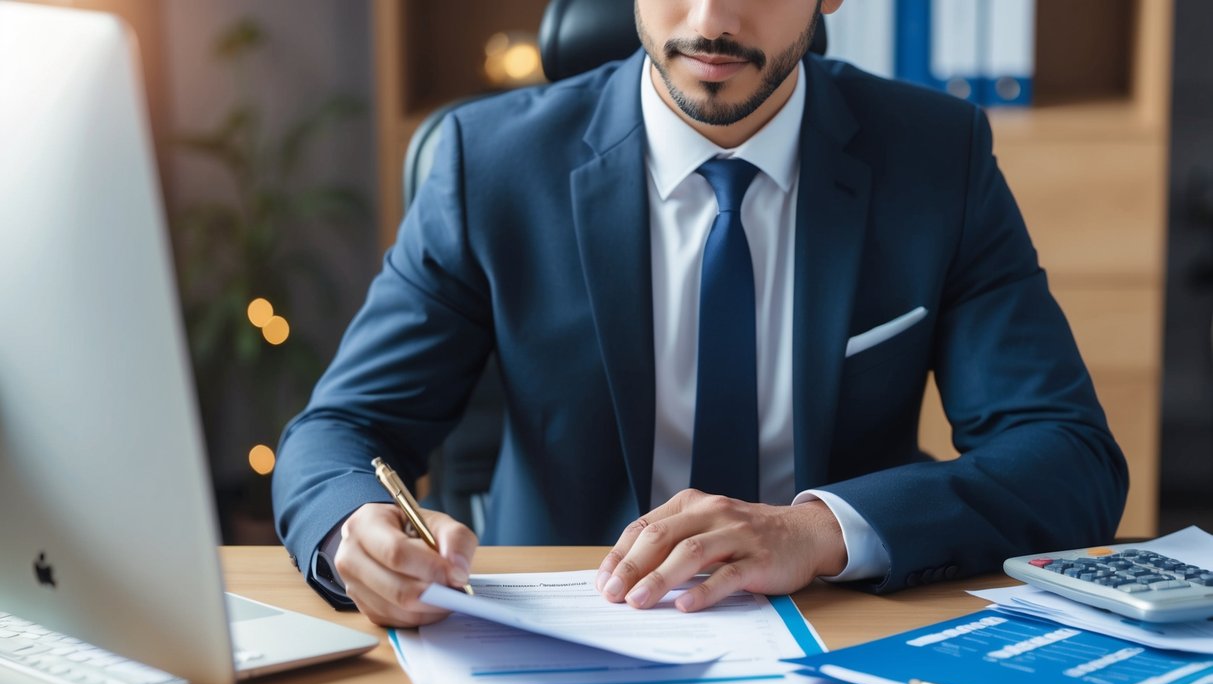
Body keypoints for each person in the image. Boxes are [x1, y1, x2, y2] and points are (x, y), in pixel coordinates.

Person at [272, 0, 1128, 627]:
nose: (711, 20)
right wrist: (353, 529)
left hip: (847, 624)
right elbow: (341, 430)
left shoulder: (935, 155)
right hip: (570, 627)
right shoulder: (487, 163)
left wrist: (817, 531)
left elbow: (1068, 458)